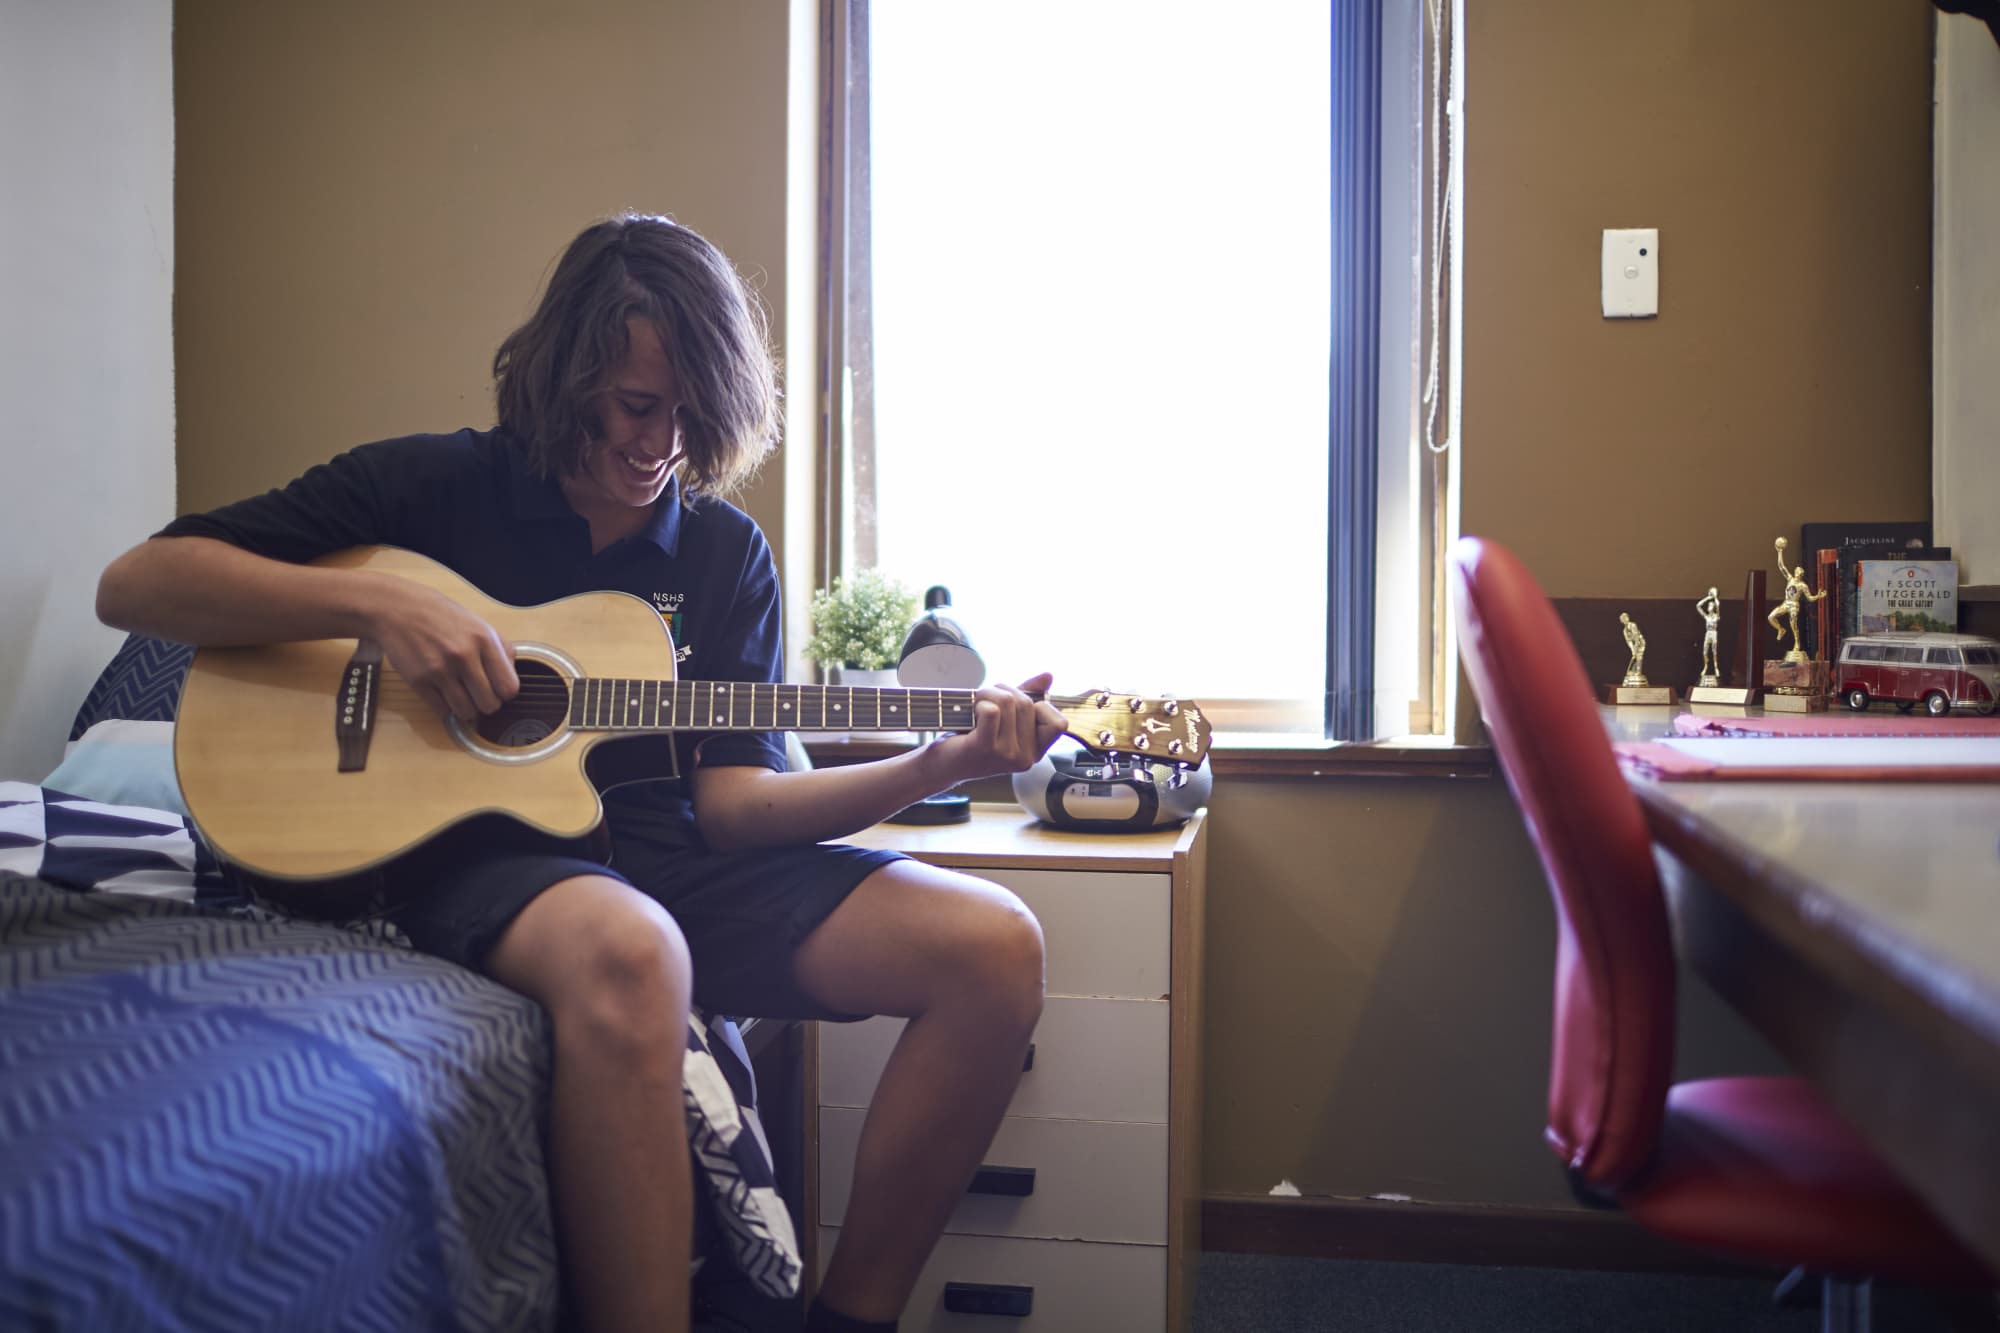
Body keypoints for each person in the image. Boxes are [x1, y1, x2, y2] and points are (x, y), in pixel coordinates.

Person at [96, 213, 1066, 1333]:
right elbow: (139, 582)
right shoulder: (430, 488)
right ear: (567, 376)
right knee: (629, 945)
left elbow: (739, 805)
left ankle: (850, 1317)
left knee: (994, 947)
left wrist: (935, 760)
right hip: (468, 857)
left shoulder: (720, 554)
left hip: (667, 853)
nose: (661, 441)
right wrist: (377, 602)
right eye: (635, 405)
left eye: (691, 413)